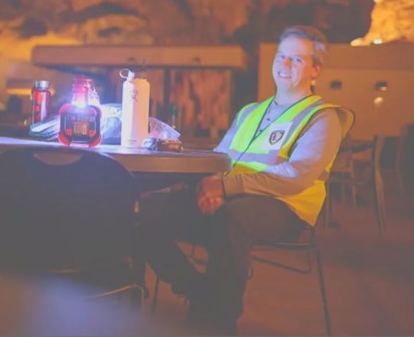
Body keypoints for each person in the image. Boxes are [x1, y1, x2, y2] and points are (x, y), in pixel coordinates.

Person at [137, 25, 354, 334]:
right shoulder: (251, 111)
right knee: (144, 212)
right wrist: (209, 184)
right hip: (229, 198)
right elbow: (220, 157)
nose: (284, 65)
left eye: (296, 59)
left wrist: (225, 186)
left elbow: (297, 176)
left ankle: (220, 320)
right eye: (281, 56)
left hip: (284, 208)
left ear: (315, 70)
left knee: (231, 220)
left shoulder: (322, 117)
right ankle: (197, 291)